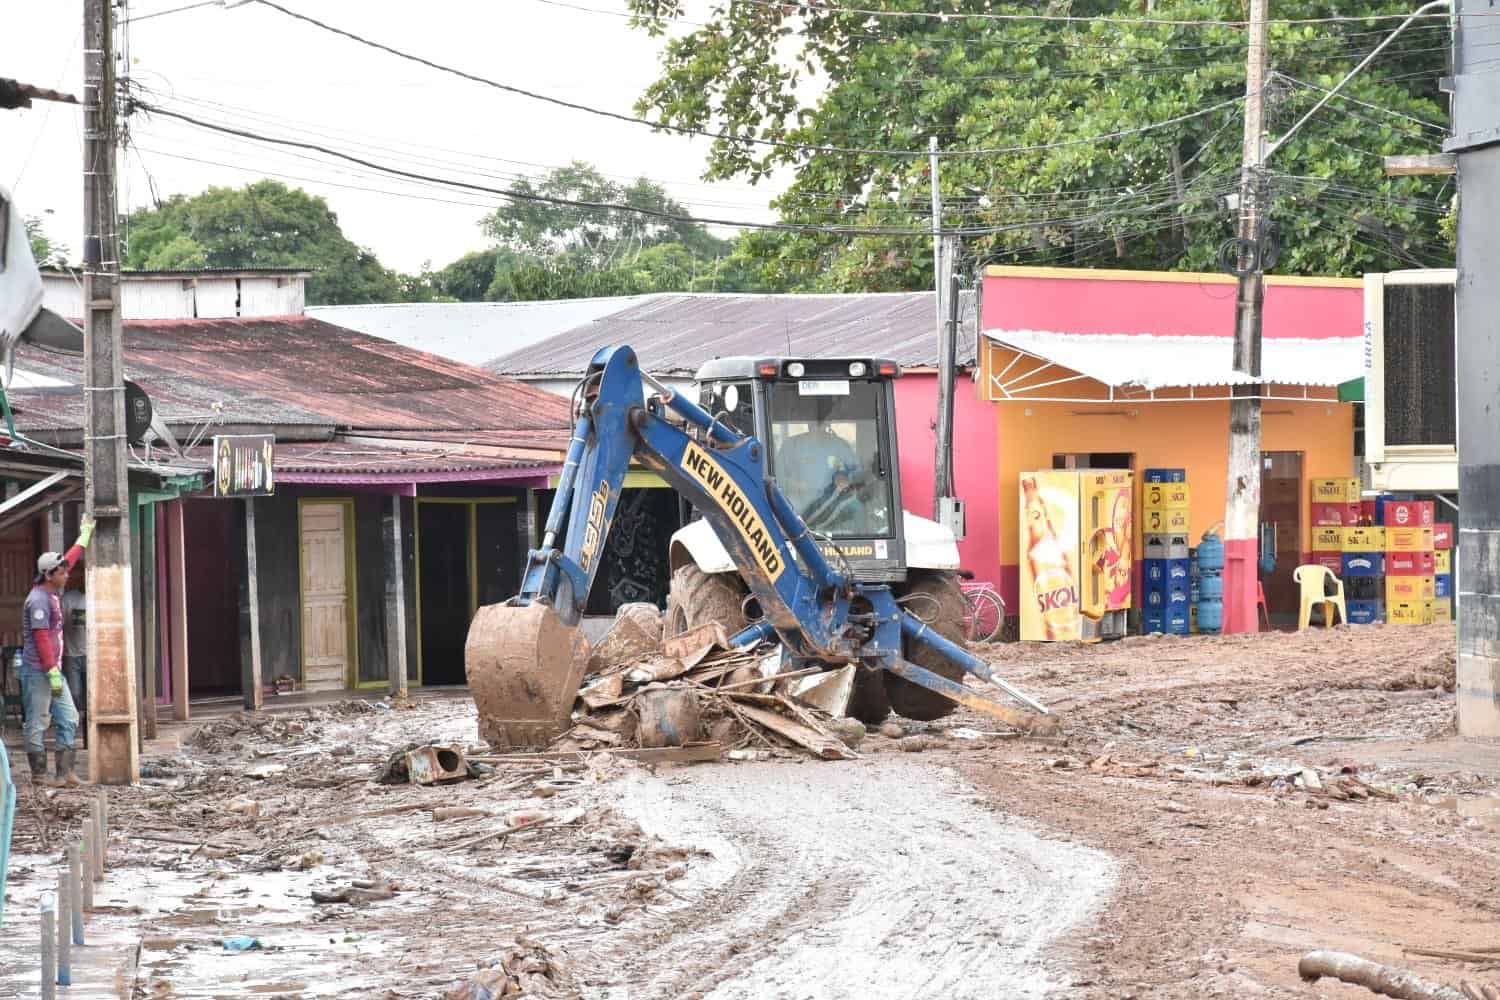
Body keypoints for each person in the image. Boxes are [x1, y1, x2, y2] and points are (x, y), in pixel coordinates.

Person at [22, 515, 95, 788]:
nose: (68, 573)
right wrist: (52, 671)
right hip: (39, 671)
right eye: (62, 572)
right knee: (38, 721)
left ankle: (65, 773)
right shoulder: (38, 599)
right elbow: (41, 637)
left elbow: (70, 559)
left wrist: (83, 537)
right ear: (48, 575)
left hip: (53, 670)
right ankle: (40, 776)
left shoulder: (53, 591)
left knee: (70, 716)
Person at [61, 567, 87, 735]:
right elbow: (58, 625)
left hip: (92, 655)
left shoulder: (99, 597)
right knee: (75, 693)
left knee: (91, 694)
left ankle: (88, 726)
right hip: (72, 654)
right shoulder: (68, 599)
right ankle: (76, 724)